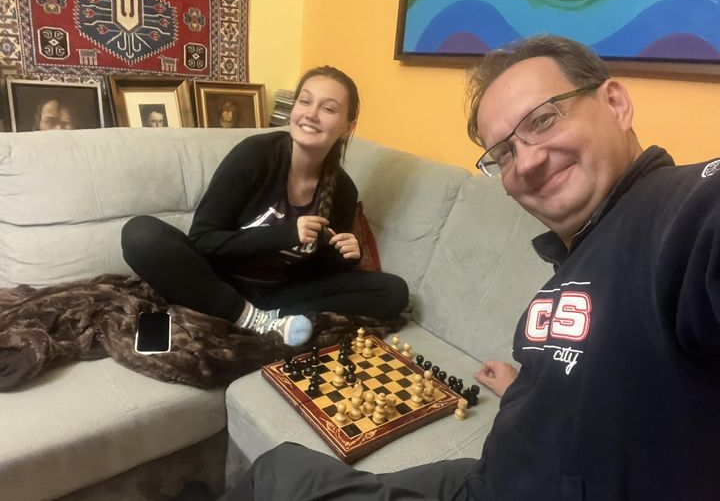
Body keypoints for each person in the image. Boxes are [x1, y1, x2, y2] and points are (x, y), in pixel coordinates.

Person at [222, 35, 720, 500]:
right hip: (491, 472)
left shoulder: (686, 212)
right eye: (504, 153)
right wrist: (531, 387)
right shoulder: (589, 243)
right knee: (284, 467)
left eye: (543, 121)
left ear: (615, 103)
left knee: (277, 475)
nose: (527, 163)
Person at [121, 66, 409, 347]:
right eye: (305, 101)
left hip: (281, 293)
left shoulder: (343, 190)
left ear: (347, 127)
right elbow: (203, 240)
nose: (311, 114)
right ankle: (249, 318)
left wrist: (343, 257)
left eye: (328, 108)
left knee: (393, 292)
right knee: (140, 235)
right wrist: (286, 234)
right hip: (220, 282)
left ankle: (269, 317)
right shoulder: (254, 156)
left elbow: (317, 273)